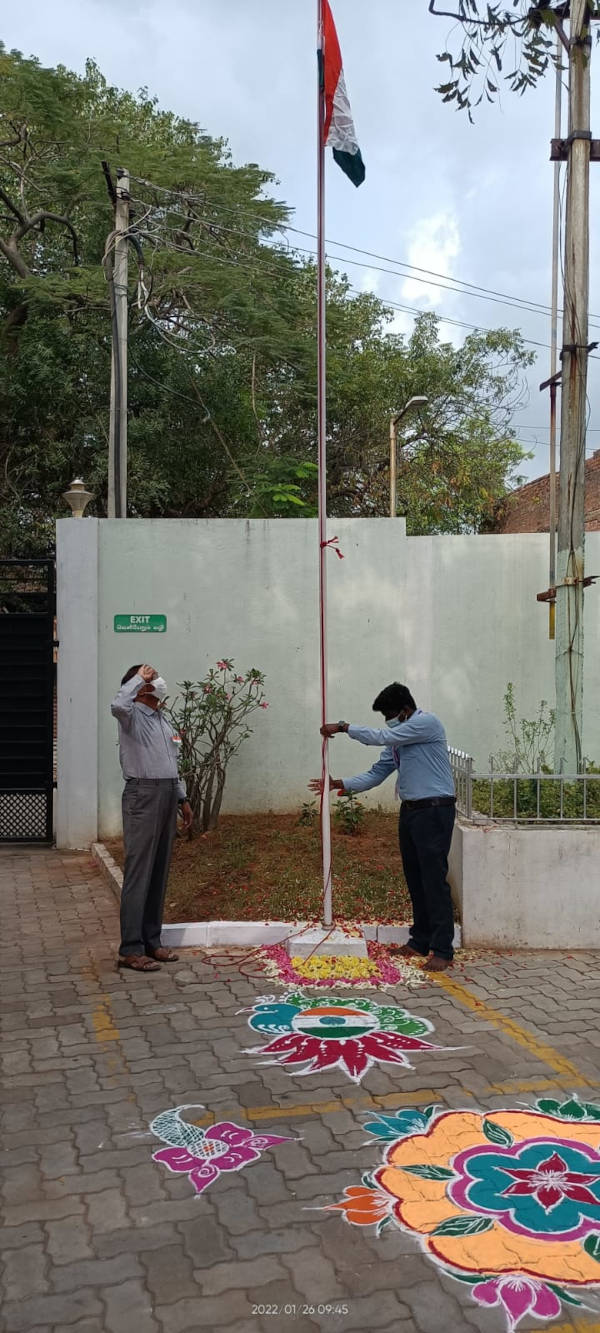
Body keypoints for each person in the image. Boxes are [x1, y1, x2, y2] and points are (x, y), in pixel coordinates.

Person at [310, 682, 456, 972]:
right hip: (412, 811)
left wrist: (343, 727)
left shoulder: (426, 723)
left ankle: (443, 949)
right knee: (415, 878)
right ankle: (420, 940)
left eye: (390, 714)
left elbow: (382, 736)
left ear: (405, 711)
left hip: (435, 810)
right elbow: (378, 772)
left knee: (433, 879)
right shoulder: (398, 740)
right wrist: (343, 784)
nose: (387, 721)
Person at [111, 663, 193, 972]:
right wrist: (136, 679)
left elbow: (174, 761)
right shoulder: (130, 716)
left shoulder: (163, 721)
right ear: (142, 686)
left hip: (167, 793)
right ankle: (131, 948)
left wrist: (182, 798)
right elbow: (116, 703)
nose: (159, 680)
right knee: (139, 871)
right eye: (152, 676)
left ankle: (152, 941)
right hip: (142, 795)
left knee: (158, 872)